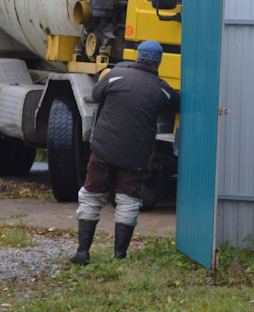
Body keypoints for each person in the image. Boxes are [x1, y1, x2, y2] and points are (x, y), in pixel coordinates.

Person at [70, 40, 180, 265]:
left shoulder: (114, 75)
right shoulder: (161, 89)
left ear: (137, 57)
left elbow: (96, 94)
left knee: (92, 195)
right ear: (158, 62)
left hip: (103, 149)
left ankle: (83, 252)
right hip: (135, 155)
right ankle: (119, 257)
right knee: (128, 200)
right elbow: (178, 103)